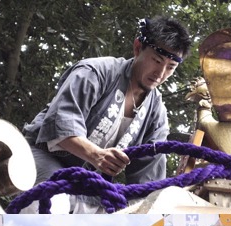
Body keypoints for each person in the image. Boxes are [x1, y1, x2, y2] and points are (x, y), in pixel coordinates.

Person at [21, 16, 192, 213]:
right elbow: (60, 123)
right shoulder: (95, 72)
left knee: (123, 223)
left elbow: (147, 179)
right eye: (156, 60)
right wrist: (96, 155)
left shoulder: (156, 112)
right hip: (45, 159)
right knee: (51, 205)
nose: (161, 73)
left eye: (170, 67)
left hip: (91, 186)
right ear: (138, 48)